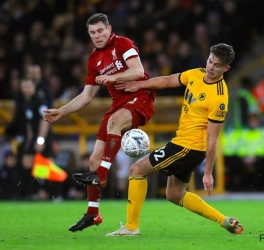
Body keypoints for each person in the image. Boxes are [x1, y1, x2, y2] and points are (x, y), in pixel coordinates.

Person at [106, 43, 243, 236]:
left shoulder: (219, 97)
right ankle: (224, 221)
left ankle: (131, 227)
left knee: (136, 169)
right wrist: (139, 84)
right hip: (183, 144)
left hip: (189, 147)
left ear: (226, 68)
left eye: (217, 65)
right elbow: (169, 81)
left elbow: (212, 139)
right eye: (210, 61)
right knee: (174, 195)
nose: (211, 67)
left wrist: (208, 173)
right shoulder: (197, 74)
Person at [43, 13, 156, 232]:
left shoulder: (122, 43)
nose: (97, 35)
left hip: (140, 95)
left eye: (100, 31)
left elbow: (138, 71)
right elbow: (86, 97)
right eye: (92, 32)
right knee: (94, 160)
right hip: (118, 104)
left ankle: (101, 176)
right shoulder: (94, 59)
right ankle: (93, 213)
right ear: (89, 34)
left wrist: (113, 78)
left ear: (108, 29)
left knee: (113, 123)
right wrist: (62, 111)